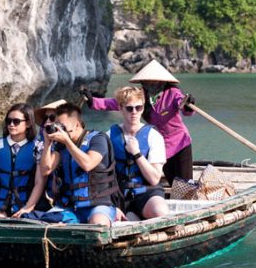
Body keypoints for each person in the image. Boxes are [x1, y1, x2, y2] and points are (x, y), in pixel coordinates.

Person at [81, 60, 195, 185]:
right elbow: (117, 103)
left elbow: (182, 104)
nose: (151, 85)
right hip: (161, 144)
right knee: (172, 181)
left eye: (154, 82)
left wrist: (187, 106)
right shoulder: (141, 95)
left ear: (162, 81)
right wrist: (93, 102)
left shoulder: (172, 93)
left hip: (179, 142)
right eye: (148, 82)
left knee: (184, 184)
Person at [40, 103, 120, 225]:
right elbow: (46, 170)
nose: (60, 130)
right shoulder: (60, 145)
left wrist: (67, 141)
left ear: (77, 125)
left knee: (97, 224)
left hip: (98, 204)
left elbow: (88, 164)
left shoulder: (98, 139)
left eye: (63, 127)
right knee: (47, 222)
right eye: (58, 126)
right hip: (71, 206)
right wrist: (47, 144)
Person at [107, 86, 169, 220]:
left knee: (160, 211)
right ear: (120, 109)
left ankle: (138, 215)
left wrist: (137, 153)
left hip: (146, 192)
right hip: (119, 195)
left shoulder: (153, 136)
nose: (134, 112)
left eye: (138, 107)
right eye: (129, 108)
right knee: (121, 220)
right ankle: (131, 215)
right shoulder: (110, 135)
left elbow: (154, 179)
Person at [0, 103, 48, 218]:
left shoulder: (38, 146)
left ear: (29, 123)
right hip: (1, 205)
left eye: (16, 121)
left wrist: (28, 207)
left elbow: (39, 182)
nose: (11, 125)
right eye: (8, 121)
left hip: (27, 204)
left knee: (24, 221)